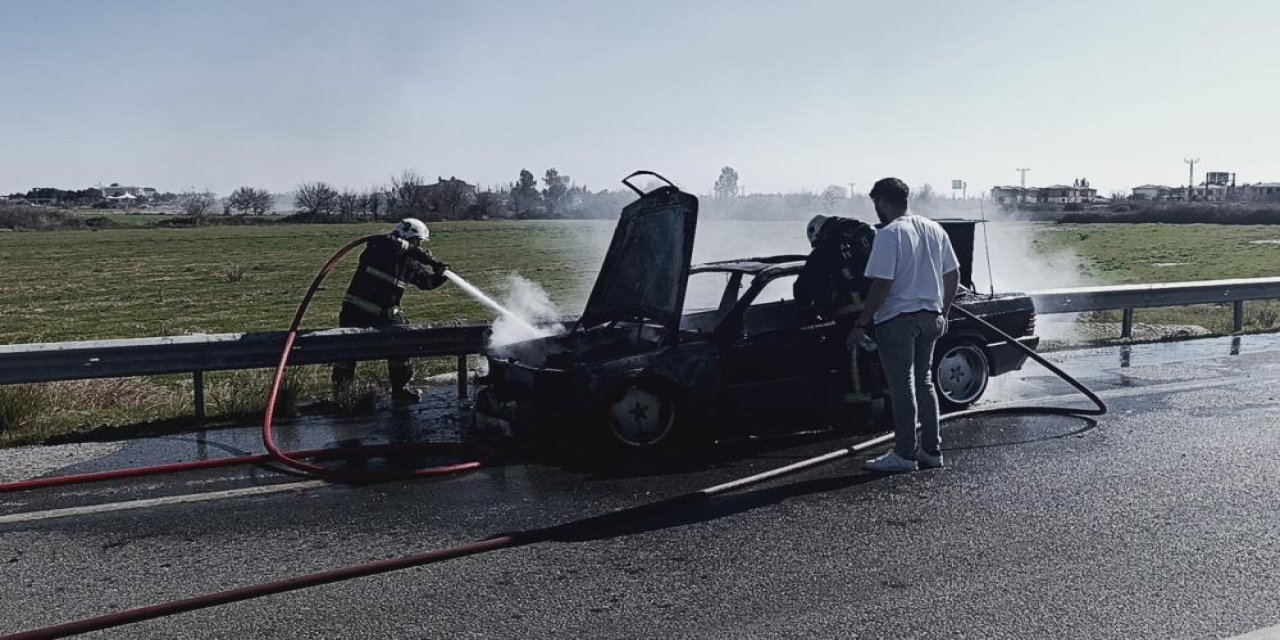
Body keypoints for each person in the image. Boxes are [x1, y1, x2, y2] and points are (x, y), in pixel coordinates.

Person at [849, 178, 960, 472]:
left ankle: (904, 454)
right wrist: (944, 313)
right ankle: (932, 451)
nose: (876, 211)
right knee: (924, 382)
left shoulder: (889, 234)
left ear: (882, 202)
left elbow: (881, 283)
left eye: (876, 204)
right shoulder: (934, 229)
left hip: (898, 320)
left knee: (902, 387)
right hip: (931, 318)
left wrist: (862, 322)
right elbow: (954, 275)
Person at [332, 218, 449, 403]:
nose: (418, 246)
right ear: (406, 236)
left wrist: (440, 276)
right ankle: (342, 396)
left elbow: (425, 282)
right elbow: (395, 245)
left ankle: (400, 390)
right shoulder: (379, 246)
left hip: (385, 313)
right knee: (347, 353)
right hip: (357, 310)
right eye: (417, 241)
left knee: (402, 345)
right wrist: (429, 259)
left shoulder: (408, 262)